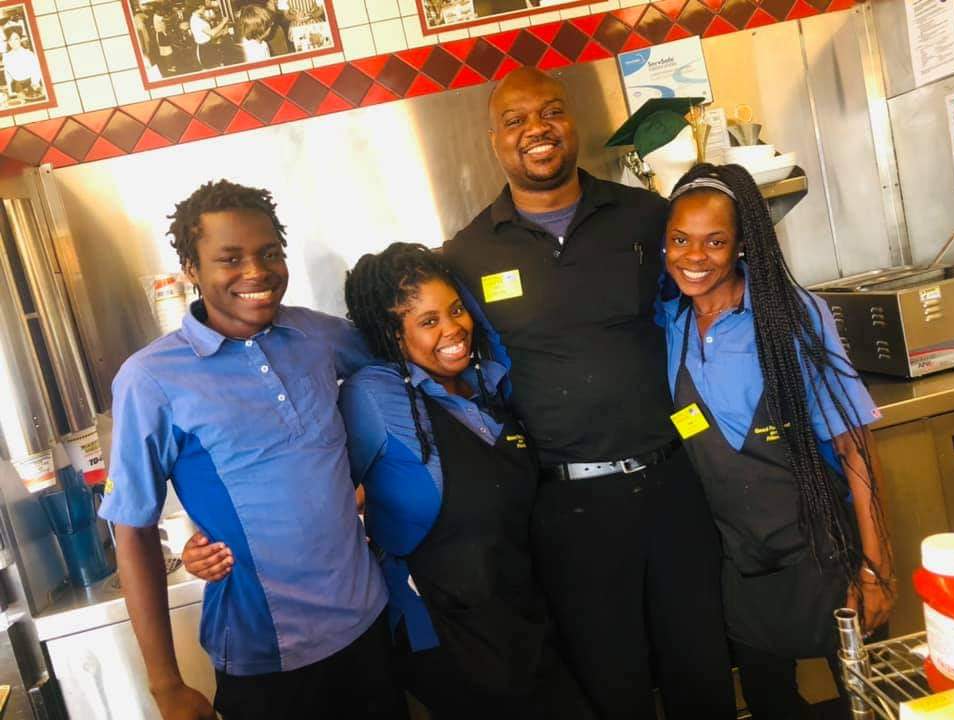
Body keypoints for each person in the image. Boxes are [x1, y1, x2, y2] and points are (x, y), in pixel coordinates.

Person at [184, 242, 595, 719]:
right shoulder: (375, 396)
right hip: (444, 630)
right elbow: (308, 482)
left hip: (520, 608)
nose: (453, 329)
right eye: (427, 321)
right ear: (392, 335)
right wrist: (214, 542)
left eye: (456, 310)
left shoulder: (485, 382)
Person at [442, 66, 736, 719]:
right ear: (494, 140)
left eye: (550, 112)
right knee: (612, 688)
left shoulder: (643, 217)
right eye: (515, 121)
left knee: (703, 674)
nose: (536, 130)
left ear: (573, 124)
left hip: (673, 484)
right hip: (564, 509)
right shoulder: (467, 255)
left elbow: (709, 303)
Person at [98, 180, 408, 720]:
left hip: (369, 624)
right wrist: (165, 684)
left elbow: (396, 384)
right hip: (266, 659)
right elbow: (133, 530)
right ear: (192, 270)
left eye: (269, 253)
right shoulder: (150, 379)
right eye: (230, 258)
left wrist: (361, 482)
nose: (257, 272)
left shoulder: (318, 336)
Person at [658, 163, 896, 719]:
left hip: (827, 562)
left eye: (715, 241)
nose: (695, 256)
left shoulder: (790, 316)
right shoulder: (669, 325)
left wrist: (876, 568)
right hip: (744, 574)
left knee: (871, 704)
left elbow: (855, 447)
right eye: (680, 240)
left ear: (742, 245)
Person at [2, 28, 42, 96]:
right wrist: (10, 90)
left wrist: (35, 84)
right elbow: (7, 75)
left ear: (20, 39)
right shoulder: (6, 57)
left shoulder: (29, 54)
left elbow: (36, 71)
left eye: (16, 39)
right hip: (17, 87)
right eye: (10, 40)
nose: (13, 42)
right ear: (8, 42)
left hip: (32, 85)